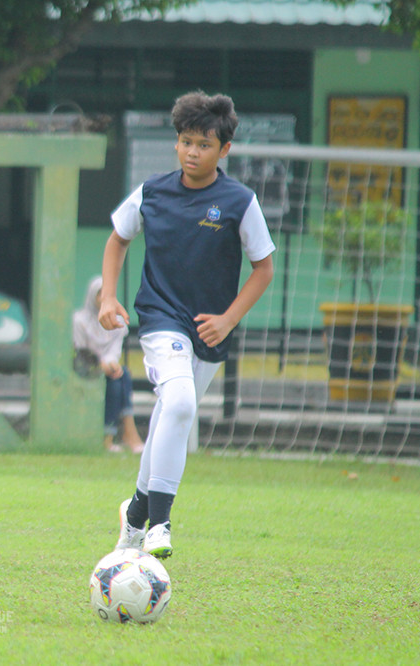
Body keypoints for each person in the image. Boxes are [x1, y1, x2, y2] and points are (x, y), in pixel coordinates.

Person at [98, 91, 275, 560]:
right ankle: (159, 521)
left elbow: (264, 268)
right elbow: (118, 240)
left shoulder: (240, 202)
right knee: (178, 403)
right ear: (176, 144)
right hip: (159, 319)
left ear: (224, 151)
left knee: (169, 417)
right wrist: (109, 296)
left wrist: (229, 319)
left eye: (203, 144)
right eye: (185, 141)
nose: (192, 151)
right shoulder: (152, 192)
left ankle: (135, 513)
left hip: (209, 332)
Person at [73, 275, 144, 455]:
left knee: (120, 377)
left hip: (108, 368)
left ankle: (113, 436)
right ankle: (123, 434)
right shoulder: (79, 321)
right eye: (99, 294)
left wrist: (110, 364)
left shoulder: (117, 322)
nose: (103, 298)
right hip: (84, 368)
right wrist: (99, 365)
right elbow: (80, 351)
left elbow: (114, 350)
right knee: (121, 378)